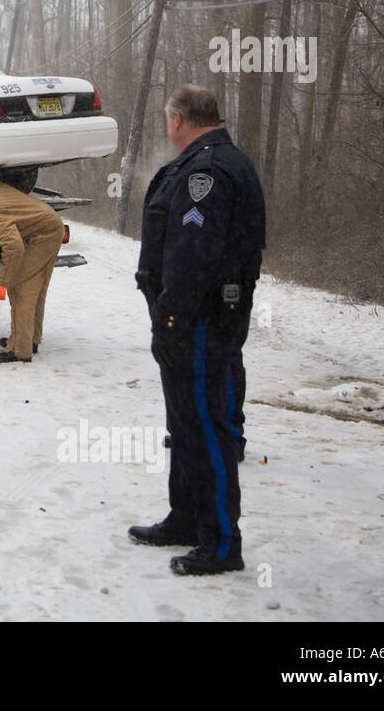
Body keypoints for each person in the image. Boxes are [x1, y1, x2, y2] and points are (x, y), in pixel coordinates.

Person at [129, 84, 265, 576]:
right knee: (185, 421)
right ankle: (186, 517)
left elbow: (193, 253)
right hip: (193, 315)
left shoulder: (208, 170)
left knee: (207, 424)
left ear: (178, 119)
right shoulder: (211, 161)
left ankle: (222, 543)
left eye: (169, 120)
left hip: (201, 317)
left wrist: (170, 317)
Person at [0, 179, 64, 363]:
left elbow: (14, 248)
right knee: (36, 289)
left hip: (43, 234)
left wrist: (1, 283)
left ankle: (19, 350)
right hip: (50, 225)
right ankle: (30, 339)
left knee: (20, 290)